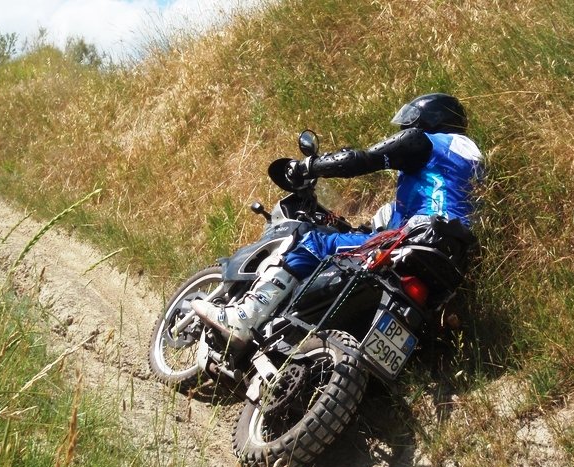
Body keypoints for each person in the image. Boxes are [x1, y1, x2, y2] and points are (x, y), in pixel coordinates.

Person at [191, 92, 484, 346]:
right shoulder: (471, 163)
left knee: (311, 242)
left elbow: (361, 159)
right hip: (450, 259)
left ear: (432, 119)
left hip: (415, 235)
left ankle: (244, 317)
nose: (409, 126)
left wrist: (308, 166)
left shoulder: (424, 142)